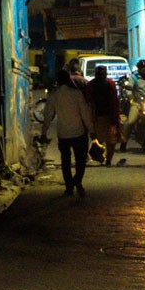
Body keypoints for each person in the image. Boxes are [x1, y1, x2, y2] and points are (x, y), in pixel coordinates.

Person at [40, 68, 95, 197]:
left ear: (58, 81)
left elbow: (48, 115)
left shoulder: (54, 95)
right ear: (69, 80)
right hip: (79, 132)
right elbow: (85, 114)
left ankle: (69, 187)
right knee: (80, 160)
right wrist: (91, 130)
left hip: (63, 134)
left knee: (65, 160)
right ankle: (77, 180)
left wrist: (44, 131)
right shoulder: (77, 94)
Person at [86, 65, 122, 165]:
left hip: (106, 116)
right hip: (99, 116)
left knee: (109, 140)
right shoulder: (93, 84)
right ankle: (104, 159)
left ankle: (107, 159)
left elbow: (114, 100)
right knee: (103, 140)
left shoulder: (107, 84)